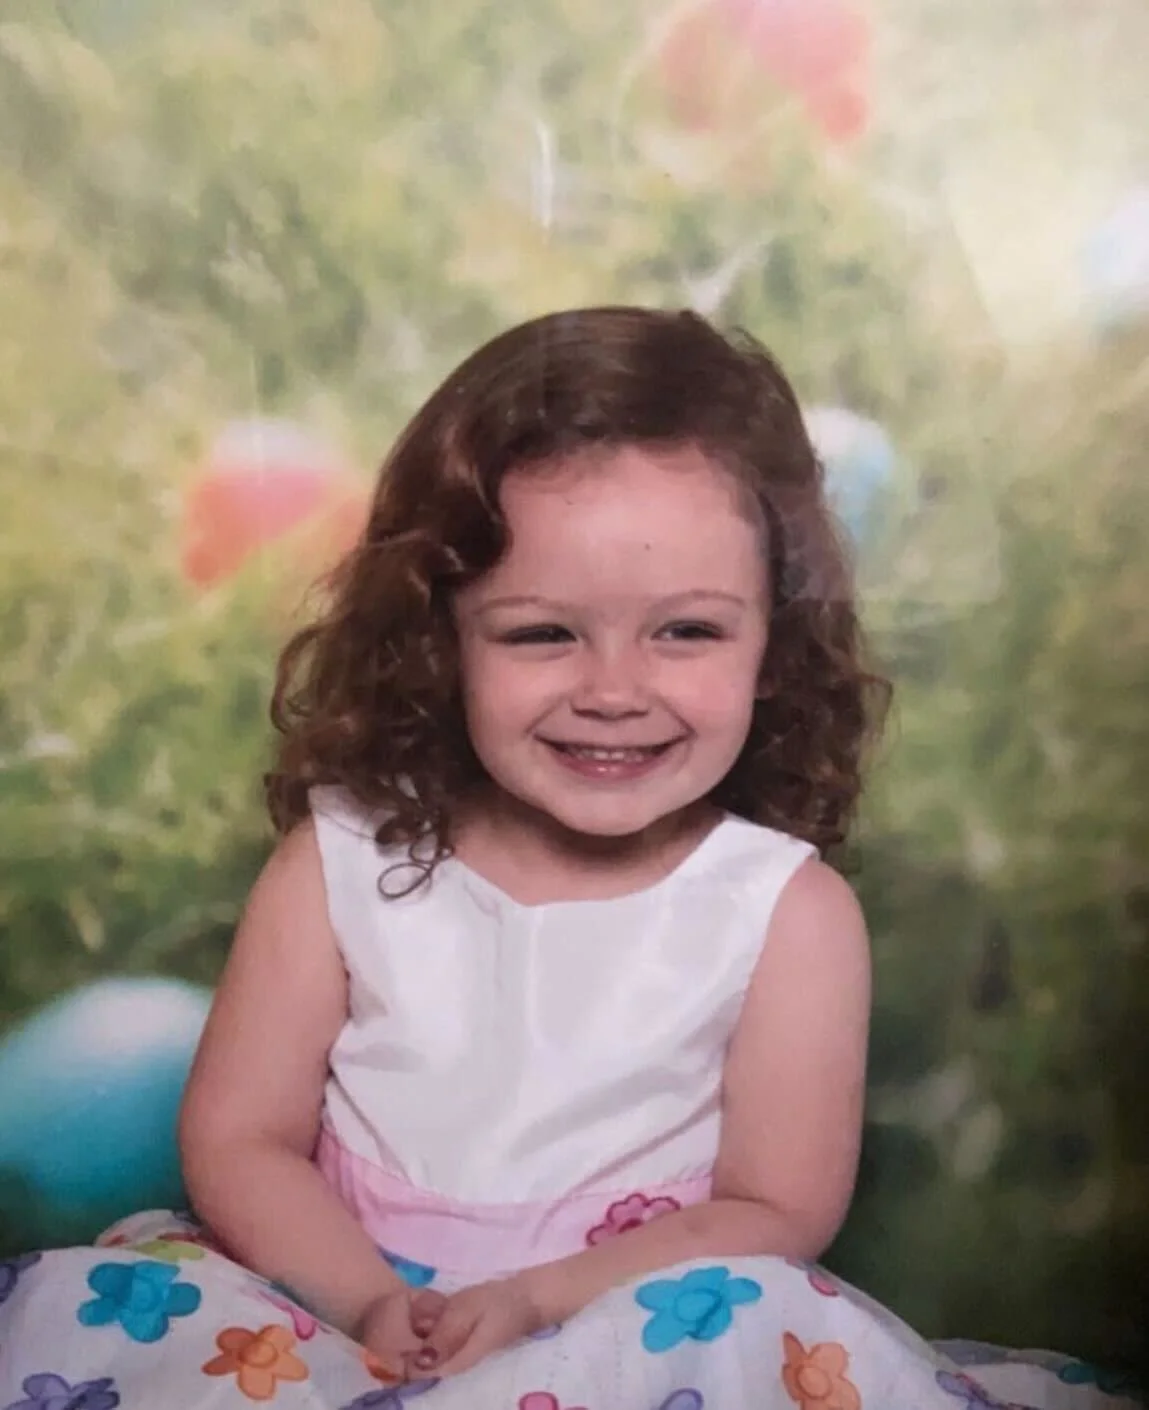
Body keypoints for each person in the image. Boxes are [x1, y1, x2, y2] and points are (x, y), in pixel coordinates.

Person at [0, 308, 1136, 1410]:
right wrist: (369, 1302)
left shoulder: (782, 911)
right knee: (118, 1319)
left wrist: (537, 1302)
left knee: (750, 1326)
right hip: (332, 1306)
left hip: (629, 1330)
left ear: (775, 647)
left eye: (686, 631)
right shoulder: (338, 864)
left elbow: (774, 1207)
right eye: (542, 632)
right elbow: (239, 1138)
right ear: (441, 639)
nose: (613, 691)